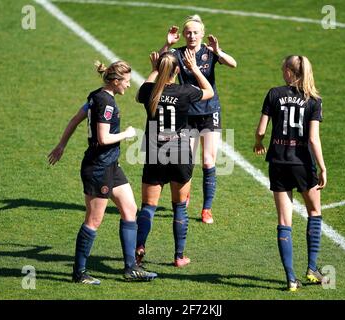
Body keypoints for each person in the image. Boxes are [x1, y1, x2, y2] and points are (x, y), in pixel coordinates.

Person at [49, 60, 157, 284]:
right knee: (93, 220)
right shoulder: (106, 103)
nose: (128, 86)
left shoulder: (95, 95)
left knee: (130, 209)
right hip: (99, 168)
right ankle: (79, 273)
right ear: (116, 81)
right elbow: (103, 138)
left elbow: (75, 120)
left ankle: (130, 268)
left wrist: (61, 145)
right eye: (126, 82)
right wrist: (126, 134)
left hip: (110, 165)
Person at [253, 55, 327, 291]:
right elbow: (313, 139)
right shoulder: (314, 100)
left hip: (278, 162)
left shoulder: (274, 93)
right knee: (314, 211)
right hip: (303, 164)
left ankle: (290, 278)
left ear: (288, 71)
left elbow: (262, 129)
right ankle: (312, 269)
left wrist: (258, 142)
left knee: (284, 221)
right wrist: (322, 167)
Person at [135, 50, 214, 267]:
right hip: (179, 152)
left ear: (160, 69)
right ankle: (179, 257)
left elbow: (138, 93)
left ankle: (139, 248)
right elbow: (209, 91)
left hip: (154, 153)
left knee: (148, 206)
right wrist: (195, 68)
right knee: (179, 206)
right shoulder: (186, 91)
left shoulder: (150, 91)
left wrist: (153, 70)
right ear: (178, 70)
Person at [159, 15, 237, 224]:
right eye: (188, 33)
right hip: (187, 114)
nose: (192, 36)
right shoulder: (177, 53)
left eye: (195, 32)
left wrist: (218, 51)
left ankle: (207, 209)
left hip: (210, 111)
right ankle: (184, 200)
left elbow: (233, 64)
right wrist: (167, 43)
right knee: (188, 161)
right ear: (183, 35)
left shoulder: (209, 52)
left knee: (208, 160)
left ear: (202, 34)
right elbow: (159, 64)